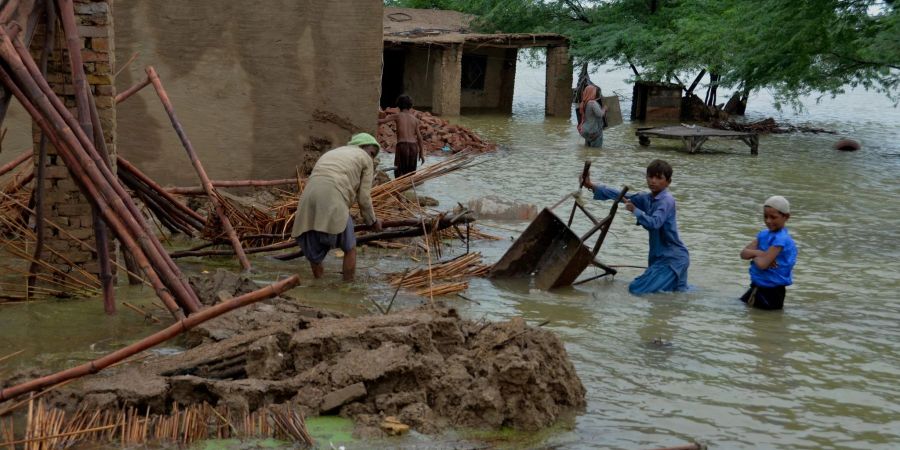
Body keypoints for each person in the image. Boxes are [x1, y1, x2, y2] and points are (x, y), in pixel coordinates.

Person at [581, 159, 690, 295]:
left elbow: (654, 223)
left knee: (636, 289)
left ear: (668, 182)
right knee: (679, 295)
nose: (653, 181)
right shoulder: (647, 198)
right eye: (650, 177)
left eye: (658, 178)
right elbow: (621, 196)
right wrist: (591, 186)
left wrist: (635, 211)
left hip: (672, 260)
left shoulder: (666, 201)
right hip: (662, 259)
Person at [291, 133, 383, 281]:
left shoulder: (333, 153)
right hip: (334, 196)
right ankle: (347, 287)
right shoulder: (365, 159)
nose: (372, 158)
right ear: (362, 147)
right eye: (372, 153)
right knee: (350, 247)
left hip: (308, 197)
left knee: (314, 256)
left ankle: (318, 285)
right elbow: (364, 198)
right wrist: (372, 221)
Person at [739, 196, 797, 310]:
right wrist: (760, 253)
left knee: (763, 319)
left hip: (772, 292)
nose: (768, 221)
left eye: (773, 217)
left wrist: (755, 255)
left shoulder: (781, 239)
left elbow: (762, 265)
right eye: (765, 216)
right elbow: (743, 254)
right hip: (757, 287)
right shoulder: (764, 234)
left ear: (786, 217)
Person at [378, 94, 425, 177]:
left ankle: (400, 189)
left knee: (399, 173)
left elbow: (382, 121)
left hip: (402, 145)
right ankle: (409, 189)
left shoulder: (397, 116)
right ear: (410, 106)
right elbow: (420, 138)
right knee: (410, 175)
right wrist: (421, 153)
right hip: (413, 147)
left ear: (398, 105)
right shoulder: (415, 120)